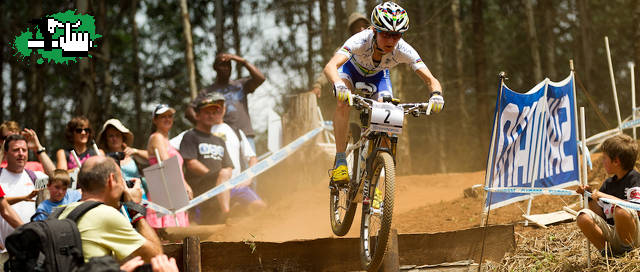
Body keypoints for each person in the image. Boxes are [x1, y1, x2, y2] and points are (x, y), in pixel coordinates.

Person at [324, 2, 445, 184]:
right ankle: (341, 161)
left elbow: (431, 79)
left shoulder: (403, 49)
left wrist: (436, 95)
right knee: (343, 102)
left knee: (387, 120)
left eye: (396, 35)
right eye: (385, 34)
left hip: (378, 77)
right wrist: (338, 85)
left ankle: (376, 181)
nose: (390, 41)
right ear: (374, 30)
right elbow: (331, 66)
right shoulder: (360, 40)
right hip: (351, 71)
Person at [57, 156, 162, 262]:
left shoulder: (63, 211)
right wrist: (135, 207)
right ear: (111, 180)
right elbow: (156, 256)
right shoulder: (106, 215)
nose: (123, 187)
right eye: (122, 180)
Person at [185, 53, 265, 152]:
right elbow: (189, 111)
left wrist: (241, 60)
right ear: (215, 68)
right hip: (223, 138)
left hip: (245, 134)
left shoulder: (241, 84)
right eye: (222, 65)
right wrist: (207, 127)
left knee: (253, 166)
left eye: (229, 65)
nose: (226, 68)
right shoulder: (208, 92)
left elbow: (260, 78)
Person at [576, 134, 640, 257]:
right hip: (614, 234)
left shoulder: (635, 179)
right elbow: (600, 215)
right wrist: (589, 196)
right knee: (583, 216)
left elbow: (637, 209)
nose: (602, 161)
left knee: (621, 211)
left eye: (604, 158)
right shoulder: (608, 184)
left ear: (616, 161)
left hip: (635, 237)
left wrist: (605, 196)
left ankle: (628, 253)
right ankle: (608, 254)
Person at [181, 93, 234, 223]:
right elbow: (191, 163)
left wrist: (221, 179)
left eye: (214, 112)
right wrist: (215, 177)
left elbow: (228, 166)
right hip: (200, 187)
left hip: (220, 188)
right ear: (197, 115)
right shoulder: (190, 136)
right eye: (206, 112)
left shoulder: (219, 140)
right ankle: (227, 213)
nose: (211, 115)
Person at [209, 92, 266, 213]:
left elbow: (253, 158)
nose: (217, 109)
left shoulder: (236, 131)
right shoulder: (198, 133)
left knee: (261, 208)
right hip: (211, 190)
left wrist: (248, 178)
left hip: (237, 186)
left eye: (220, 105)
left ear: (224, 108)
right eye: (213, 106)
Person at [0, 134, 49, 264]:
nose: (21, 154)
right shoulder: (0, 175)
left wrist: (39, 148)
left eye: (24, 150)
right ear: (5, 153)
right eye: (16, 150)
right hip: (3, 254)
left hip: (29, 252)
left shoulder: (35, 177)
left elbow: (58, 177)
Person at [146, 104, 191, 228]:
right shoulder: (157, 137)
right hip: (163, 191)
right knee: (169, 234)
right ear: (155, 120)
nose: (167, 119)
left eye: (170, 116)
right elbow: (168, 165)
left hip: (172, 190)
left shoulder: (166, 141)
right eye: (163, 117)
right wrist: (185, 185)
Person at [310, 12, 370, 97]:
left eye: (364, 26)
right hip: (350, 92)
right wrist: (318, 85)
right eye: (357, 27)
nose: (361, 29)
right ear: (352, 31)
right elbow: (331, 67)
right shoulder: (345, 50)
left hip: (370, 92)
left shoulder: (377, 47)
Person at [97, 118, 149, 192]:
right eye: (111, 136)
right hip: (117, 198)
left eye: (117, 135)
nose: (114, 139)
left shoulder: (131, 154)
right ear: (106, 139)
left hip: (139, 194)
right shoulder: (103, 156)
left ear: (122, 138)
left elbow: (152, 158)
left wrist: (136, 151)